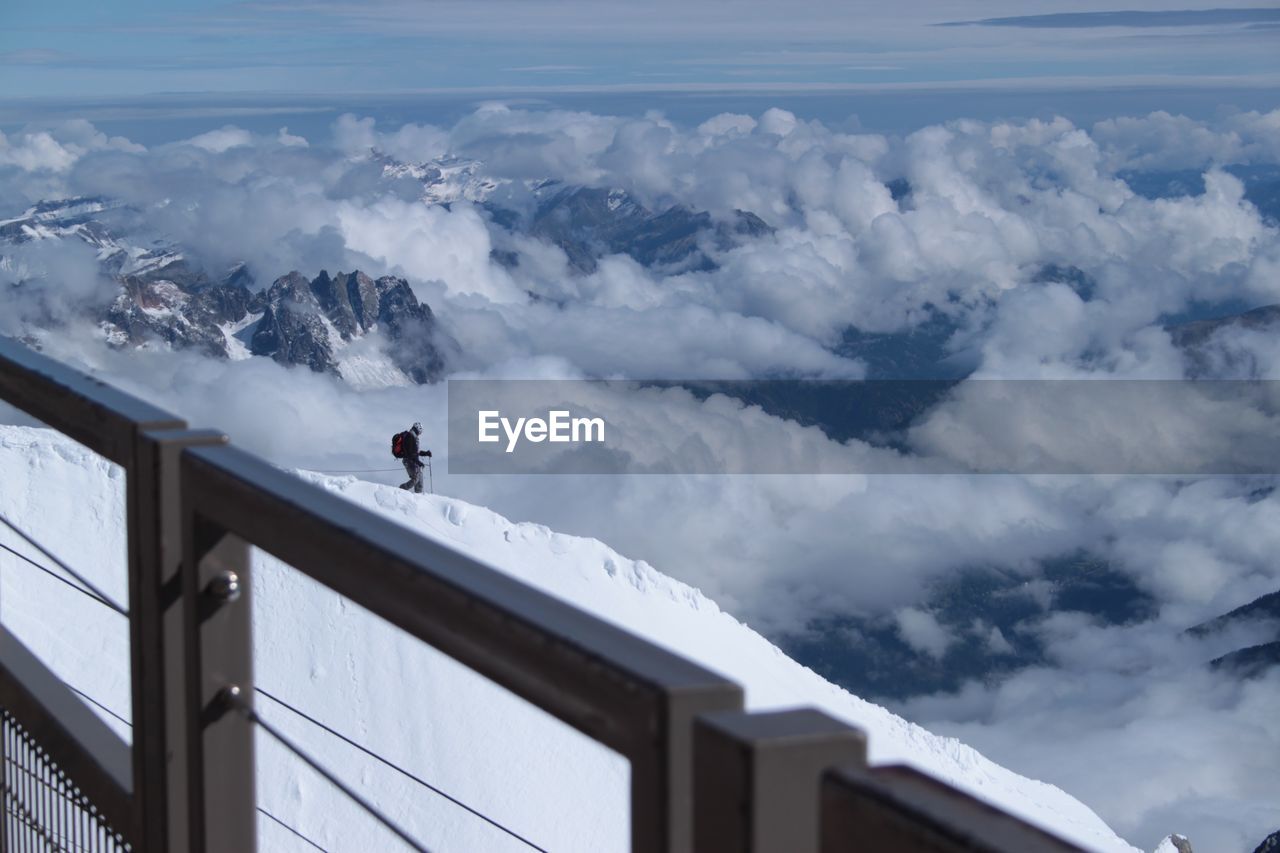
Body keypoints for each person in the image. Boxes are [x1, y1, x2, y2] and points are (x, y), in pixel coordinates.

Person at [398, 422, 432, 493]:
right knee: (415, 479)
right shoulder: (410, 436)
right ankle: (401, 489)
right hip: (409, 461)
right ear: (418, 429)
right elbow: (411, 453)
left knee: (419, 480)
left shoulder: (413, 437)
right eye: (421, 431)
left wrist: (425, 453)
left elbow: (415, 452)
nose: (420, 433)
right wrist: (418, 462)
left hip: (413, 461)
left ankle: (418, 498)